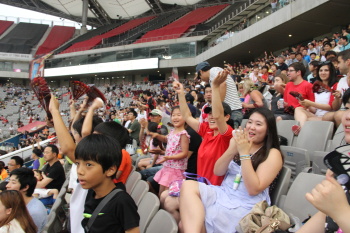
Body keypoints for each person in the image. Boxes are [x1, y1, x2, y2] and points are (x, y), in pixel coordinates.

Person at [179, 108, 283, 233]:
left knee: (183, 224)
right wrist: (233, 149)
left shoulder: (272, 153)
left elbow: (253, 189)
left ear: (268, 130)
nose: (252, 127)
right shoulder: (241, 144)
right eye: (250, 122)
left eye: (258, 124)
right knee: (188, 185)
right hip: (224, 193)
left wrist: (244, 153)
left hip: (244, 204)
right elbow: (218, 171)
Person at [173, 70, 234, 185]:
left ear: (226, 117)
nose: (211, 117)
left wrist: (215, 87)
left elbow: (217, 116)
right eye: (209, 114)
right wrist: (181, 93)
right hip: (202, 185)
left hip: (216, 189)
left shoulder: (227, 135)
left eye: (213, 113)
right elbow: (186, 116)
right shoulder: (207, 131)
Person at [296, 110, 350, 233]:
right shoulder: (343, 175)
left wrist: (341, 211)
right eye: (347, 108)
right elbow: (322, 219)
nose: (347, 116)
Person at [75, 134, 140, 233]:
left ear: (110, 170)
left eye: (88, 165)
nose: (80, 171)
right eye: (78, 164)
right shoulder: (91, 192)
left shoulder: (122, 202)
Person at [152, 106, 190, 197]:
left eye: (179, 115)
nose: (175, 117)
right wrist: (157, 135)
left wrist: (169, 157)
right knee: (161, 193)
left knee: (167, 194)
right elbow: (166, 139)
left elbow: (184, 153)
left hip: (176, 169)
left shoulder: (183, 134)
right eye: (173, 115)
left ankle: (165, 209)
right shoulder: (172, 131)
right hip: (168, 167)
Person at [196, 61, 243, 129]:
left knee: (230, 135)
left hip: (233, 110)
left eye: (200, 77)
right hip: (230, 110)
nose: (201, 79)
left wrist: (218, 107)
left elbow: (222, 84)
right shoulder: (213, 73)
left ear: (201, 72)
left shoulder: (213, 71)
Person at [296, 61, 340, 126]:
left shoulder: (336, 85)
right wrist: (306, 105)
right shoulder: (316, 85)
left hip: (328, 117)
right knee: (298, 109)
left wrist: (310, 103)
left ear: (331, 72)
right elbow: (314, 110)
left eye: (326, 70)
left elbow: (331, 107)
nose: (323, 73)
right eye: (321, 70)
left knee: (306, 121)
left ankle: (300, 129)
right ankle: (301, 129)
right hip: (316, 115)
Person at [6, 168, 47, 233]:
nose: (7, 185)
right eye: (9, 182)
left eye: (13, 183)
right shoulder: (22, 203)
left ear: (25, 187)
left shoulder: (33, 212)